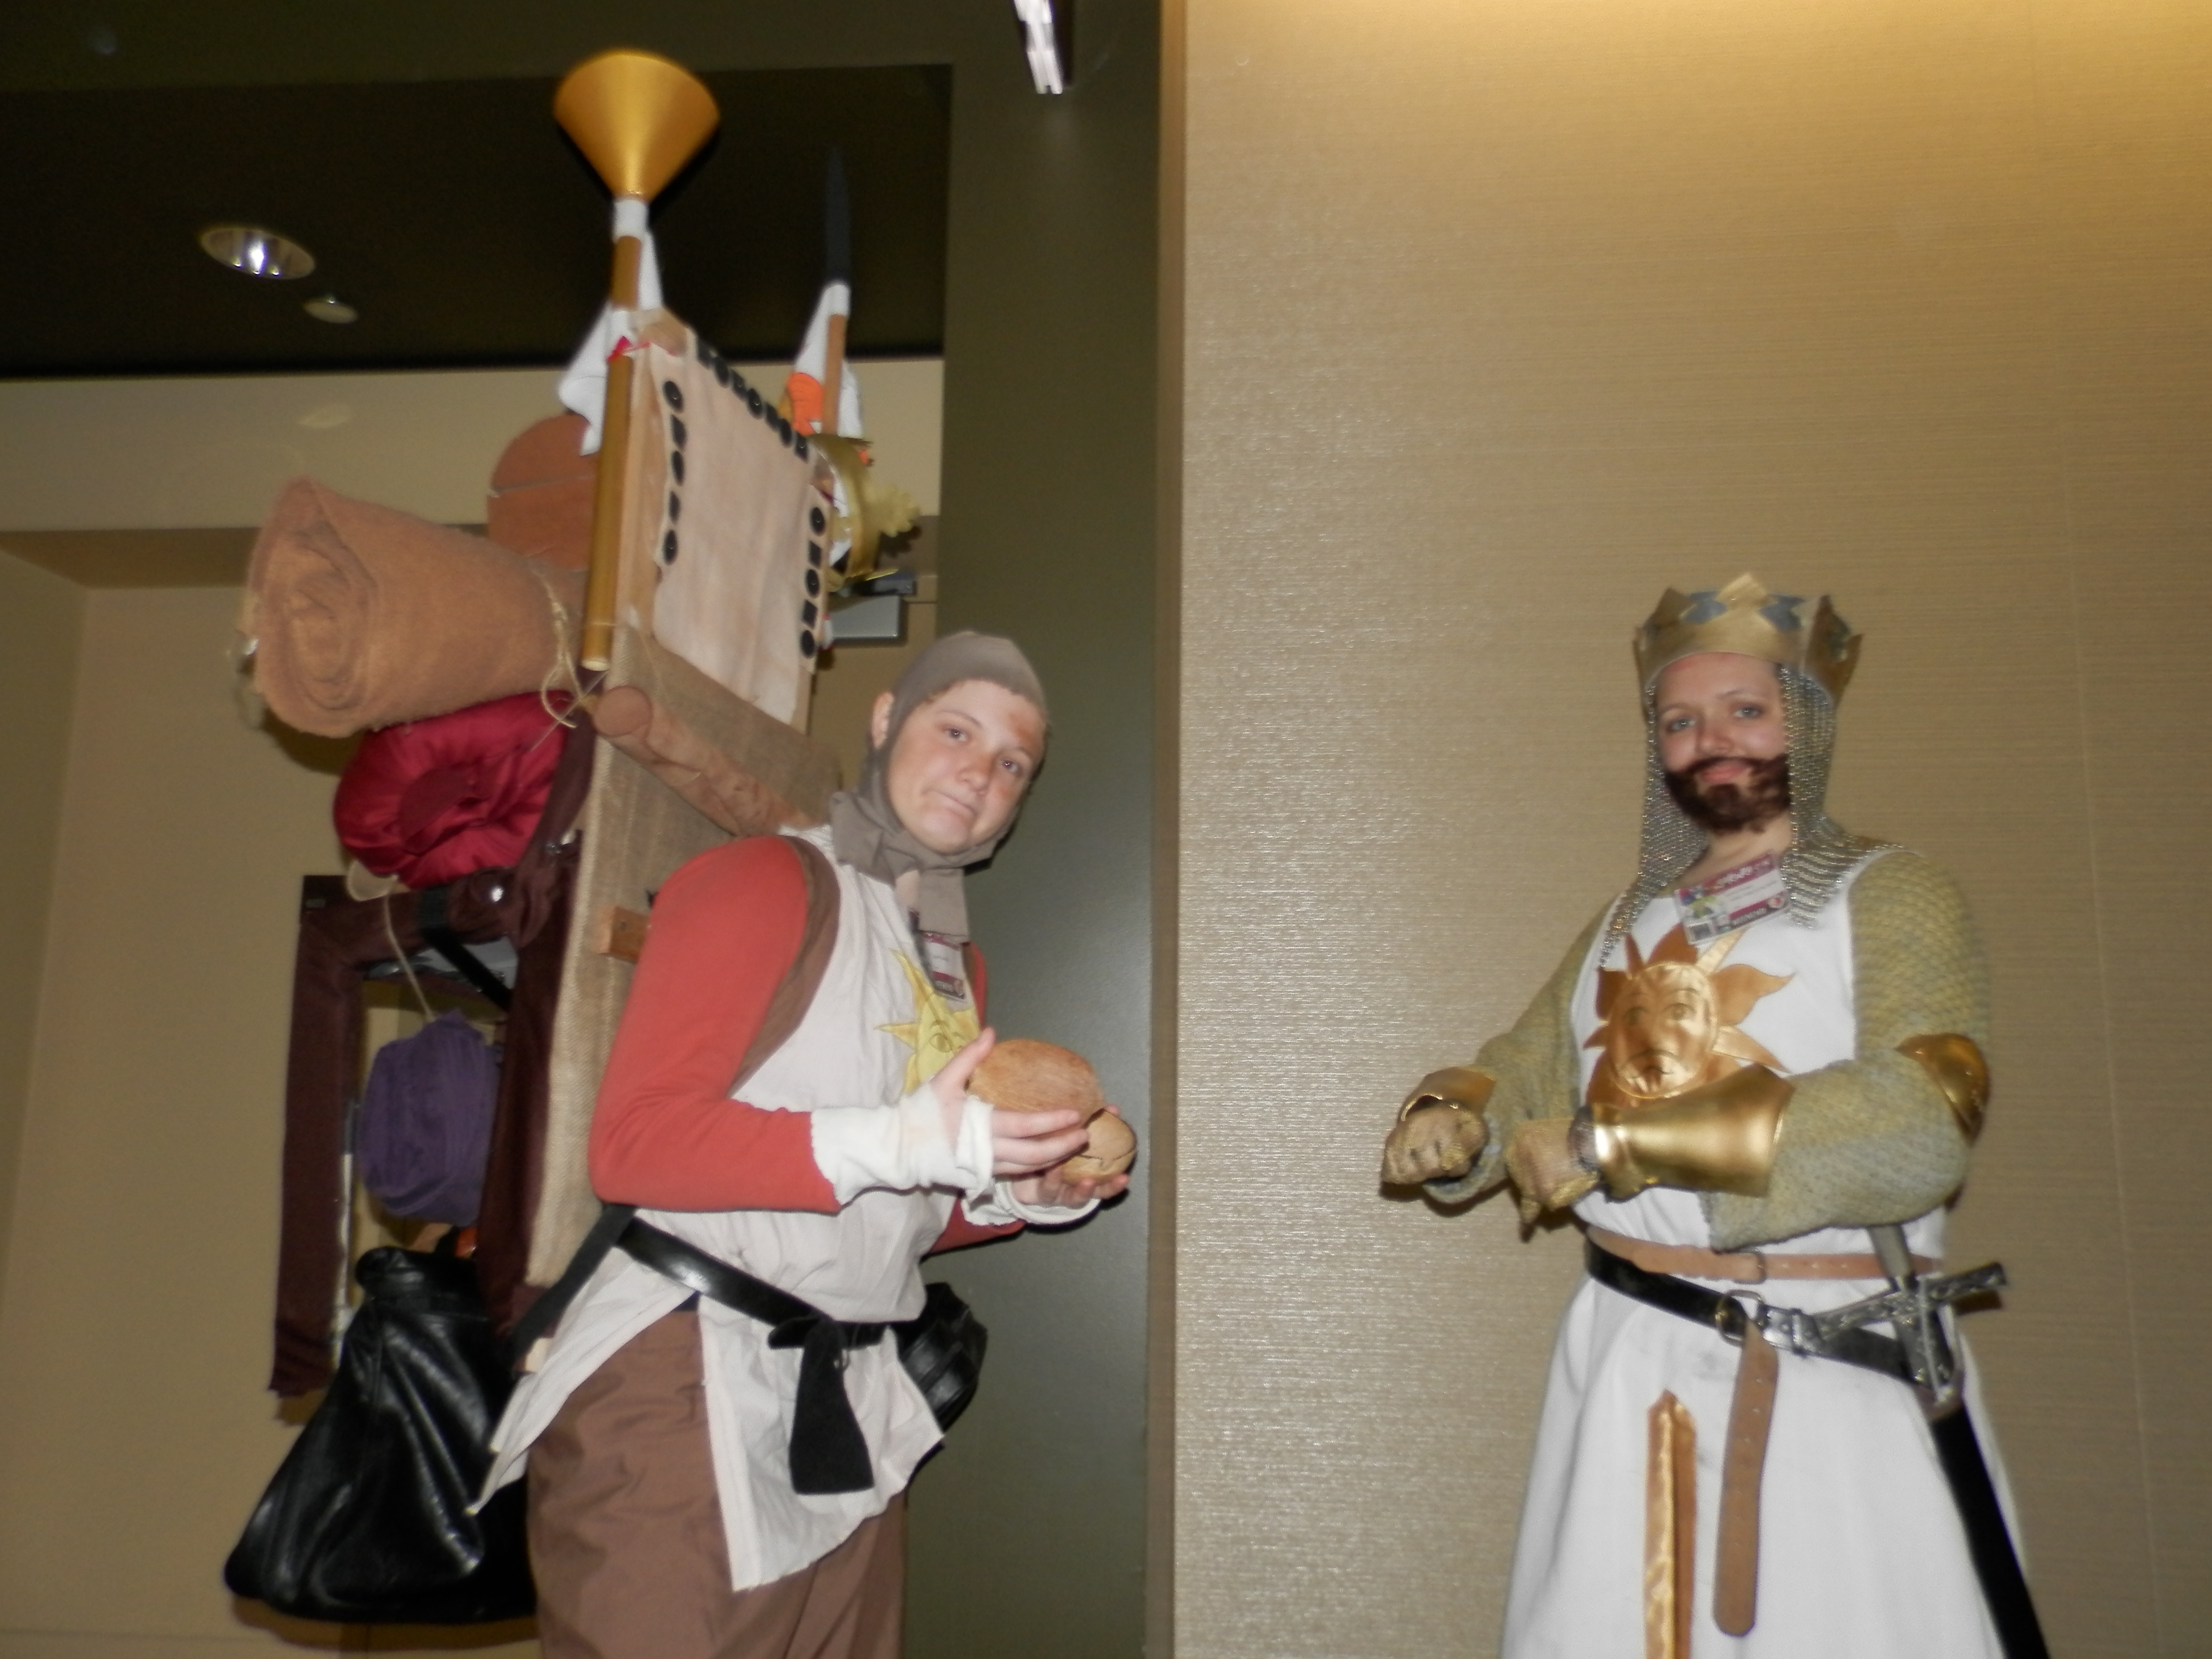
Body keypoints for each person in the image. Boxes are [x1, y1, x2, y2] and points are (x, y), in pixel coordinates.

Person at [1380, 576, 2018, 1657]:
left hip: (1828, 1361)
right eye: (1678, 722)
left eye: (1744, 711)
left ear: (1807, 722)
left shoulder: (1891, 893)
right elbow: (1532, 1064)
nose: (1709, 740)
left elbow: (1922, 1117)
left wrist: (1616, 1144)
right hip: (1630, 1354)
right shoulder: (1634, 916)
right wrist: (1460, 1117)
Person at [486, 632, 1126, 1659]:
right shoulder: (761, 880)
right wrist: (908, 1141)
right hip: (684, 1386)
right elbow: (637, 1146)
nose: (981, 772)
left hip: (854, 1408)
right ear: (885, 721)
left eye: (1013, 762)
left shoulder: (953, 966)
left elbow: (880, 1208)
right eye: (955, 731)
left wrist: (1016, 1190)